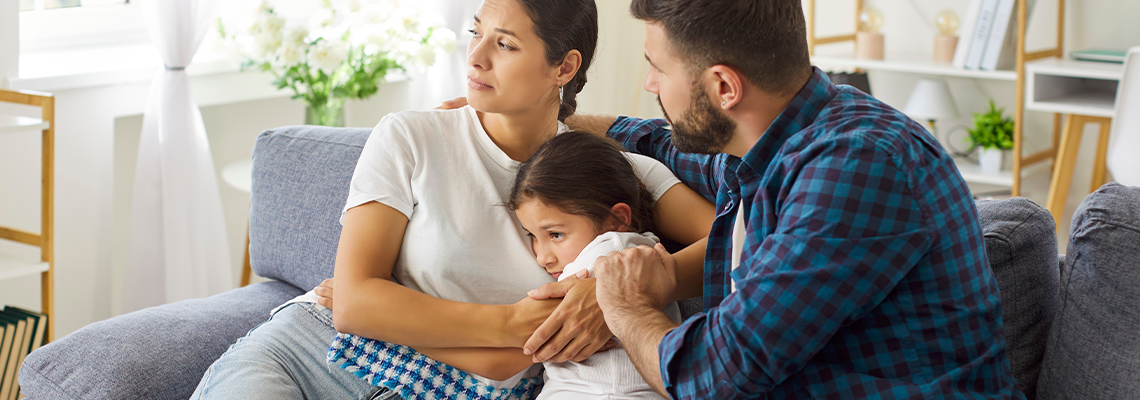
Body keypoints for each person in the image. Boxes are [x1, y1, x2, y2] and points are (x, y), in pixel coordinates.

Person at [189, 0, 714, 399]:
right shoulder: (411, 136)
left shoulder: (615, 171)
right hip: (313, 355)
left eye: (505, 45)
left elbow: (737, 242)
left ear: (563, 66)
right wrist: (512, 326)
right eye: (475, 34)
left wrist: (616, 291)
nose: (476, 57)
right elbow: (352, 303)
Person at [522, 0, 1026, 398]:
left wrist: (625, 304)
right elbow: (659, 140)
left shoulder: (857, 167)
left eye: (657, 68)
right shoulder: (768, 143)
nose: (650, 83)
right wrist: (550, 122)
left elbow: (712, 376)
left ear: (723, 87)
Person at [507, 131, 681, 399]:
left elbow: (529, 331)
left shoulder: (612, 252)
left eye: (555, 235)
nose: (542, 257)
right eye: (532, 235)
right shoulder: (632, 248)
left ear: (615, 219)